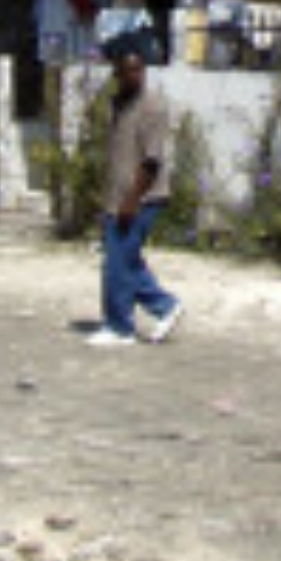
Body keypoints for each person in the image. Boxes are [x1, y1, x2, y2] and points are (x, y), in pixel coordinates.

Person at [89, 47, 184, 348]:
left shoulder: (152, 107)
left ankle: (120, 327)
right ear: (117, 74)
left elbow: (151, 160)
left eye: (139, 69)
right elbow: (117, 157)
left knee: (118, 262)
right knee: (124, 259)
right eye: (128, 70)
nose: (135, 76)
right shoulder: (118, 105)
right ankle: (165, 306)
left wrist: (131, 199)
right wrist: (107, 204)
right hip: (117, 197)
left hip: (143, 197)